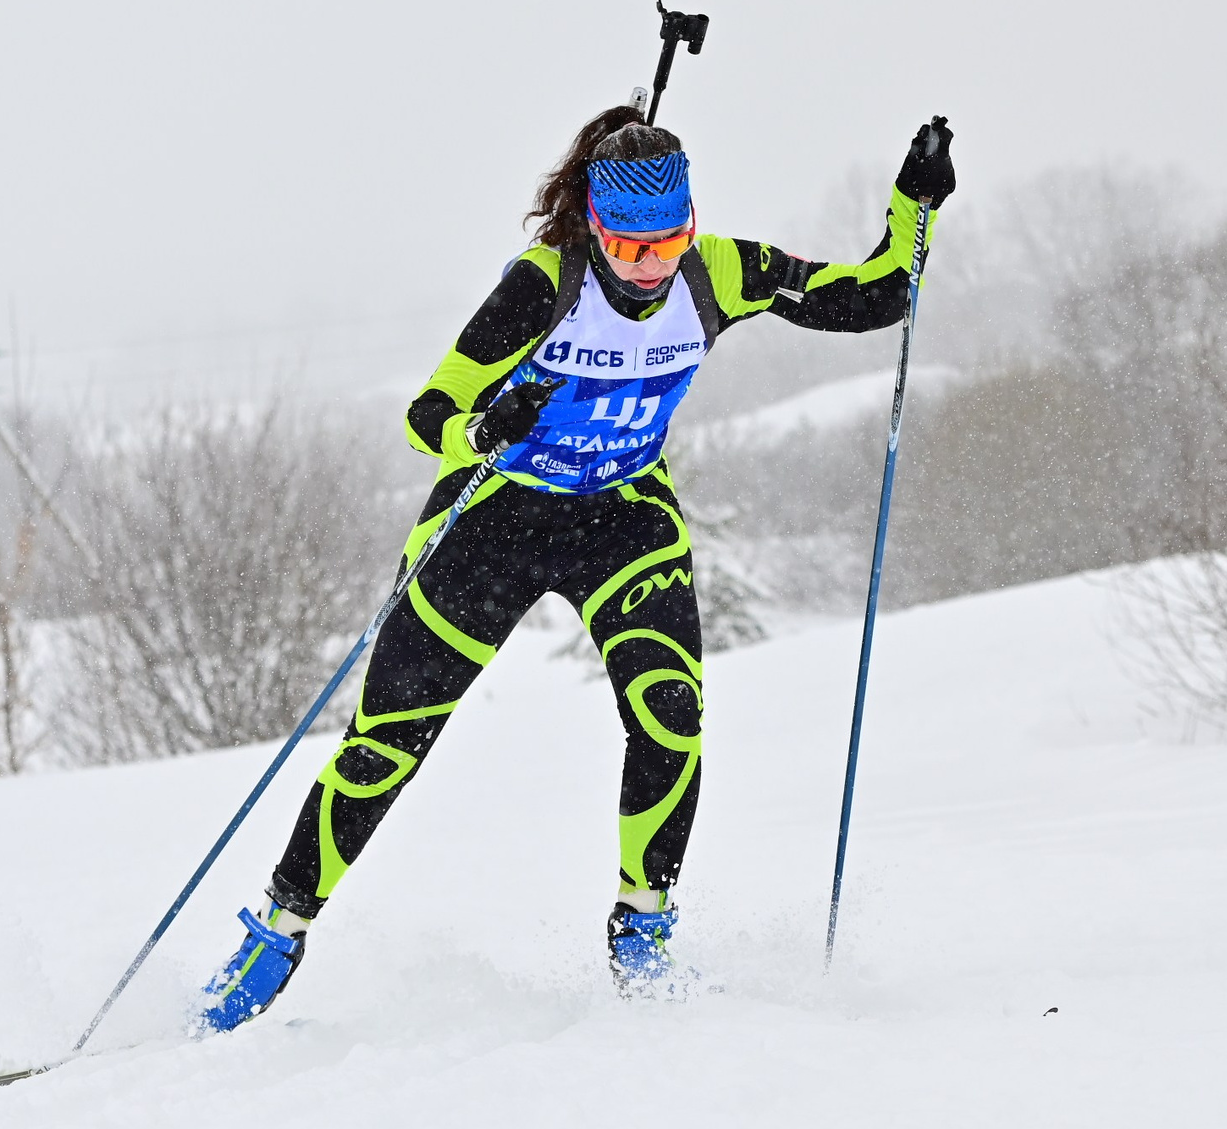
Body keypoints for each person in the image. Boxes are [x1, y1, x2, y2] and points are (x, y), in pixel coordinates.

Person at [197, 106, 957, 1026]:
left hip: (622, 516)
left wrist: (915, 205)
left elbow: (876, 297)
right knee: (389, 738)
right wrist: (485, 425)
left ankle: (643, 932)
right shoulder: (543, 284)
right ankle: (276, 931)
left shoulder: (717, 271)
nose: (651, 268)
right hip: (498, 518)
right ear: (595, 229)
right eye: (630, 248)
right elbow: (428, 414)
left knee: (671, 714)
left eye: (668, 242)